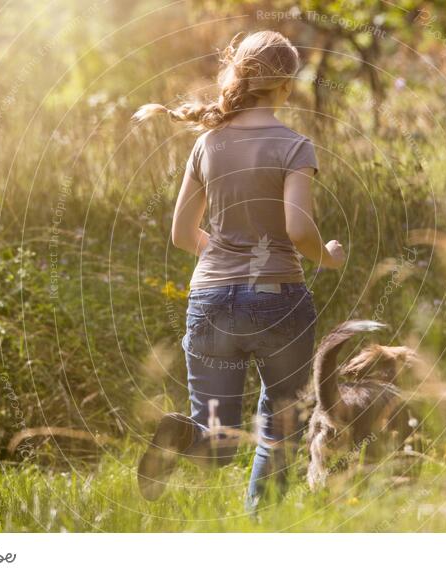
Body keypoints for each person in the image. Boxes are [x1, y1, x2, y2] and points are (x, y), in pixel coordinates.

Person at [133, 30, 346, 511]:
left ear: (242, 76)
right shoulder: (294, 146)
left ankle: (182, 433)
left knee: (217, 444)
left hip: (210, 302)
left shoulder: (207, 144)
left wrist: (220, 256)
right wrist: (328, 256)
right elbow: (297, 230)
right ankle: (259, 529)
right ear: (287, 85)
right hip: (278, 302)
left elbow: (183, 234)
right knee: (281, 426)